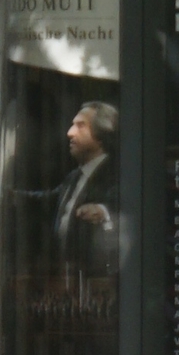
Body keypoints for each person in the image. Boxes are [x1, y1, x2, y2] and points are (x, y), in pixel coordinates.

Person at [54, 101, 119, 279]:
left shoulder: (117, 174)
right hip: (67, 278)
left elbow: (126, 210)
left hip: (100, 280)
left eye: (80, 126)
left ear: (101, 134)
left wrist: (103, 212)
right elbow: (46, 198)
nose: (70, 133)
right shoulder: (72, 177)